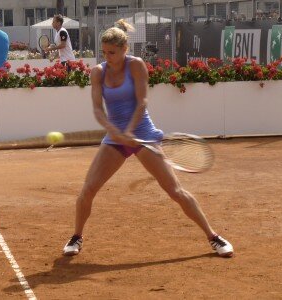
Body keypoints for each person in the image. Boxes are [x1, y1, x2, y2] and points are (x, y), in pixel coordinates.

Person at [62, 19, 234, 258]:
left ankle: (214, 237)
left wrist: (130, 131)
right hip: (115, 139)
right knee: (88, 189)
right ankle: (76, 237)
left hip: (142, 133)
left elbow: (142, 101)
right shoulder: (98, 72)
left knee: (175, 191)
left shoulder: (136, 66)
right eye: (104, 52)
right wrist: (115, 131)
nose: (107, 57)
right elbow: (98, 110)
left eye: (112, 52)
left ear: (125, 49)